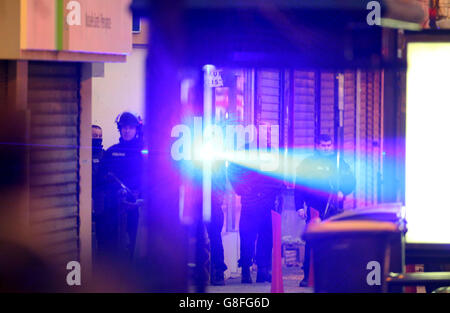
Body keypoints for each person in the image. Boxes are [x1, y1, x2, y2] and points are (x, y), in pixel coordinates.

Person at [295, 134, 355, 287]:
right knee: (312, 242)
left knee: (334, 242)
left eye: (328, 145)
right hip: (314, 208)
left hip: (334, 208)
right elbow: (299, 186)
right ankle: (308, 276)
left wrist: (343, 191)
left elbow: (351, 181)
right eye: (323, 145)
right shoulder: (307, 163)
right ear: (317, 146)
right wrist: (299, 207)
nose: (326, 148)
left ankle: (332, 275)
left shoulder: (339, 162)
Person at [228, 151, 285, 284]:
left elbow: (232, 170)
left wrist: (241, 189)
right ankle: (255, 272)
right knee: (253, 237)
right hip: (257, 201)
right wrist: (241, 189)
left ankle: (254, 272)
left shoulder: (253, 149)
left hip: (258, 200)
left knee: (259, 237)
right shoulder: (261, 149)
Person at [96, 112, 144, 263]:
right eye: (124, 127)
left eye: (130, 127)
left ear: (136, 129)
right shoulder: (111, 152)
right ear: (120, 129)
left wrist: (140, 194)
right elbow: (101, 178)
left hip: (136, 205)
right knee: (111, 242)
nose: (127, 130)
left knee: (135, 242)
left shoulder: (143, 152)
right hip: (114, 205)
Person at [207, 160, 228, 285]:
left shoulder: (218, 164)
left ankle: (218, 272)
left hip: (213, 205)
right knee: (215, 239)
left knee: (215, 238)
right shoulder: (218, 163)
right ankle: (217, 272)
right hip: (209, 204)